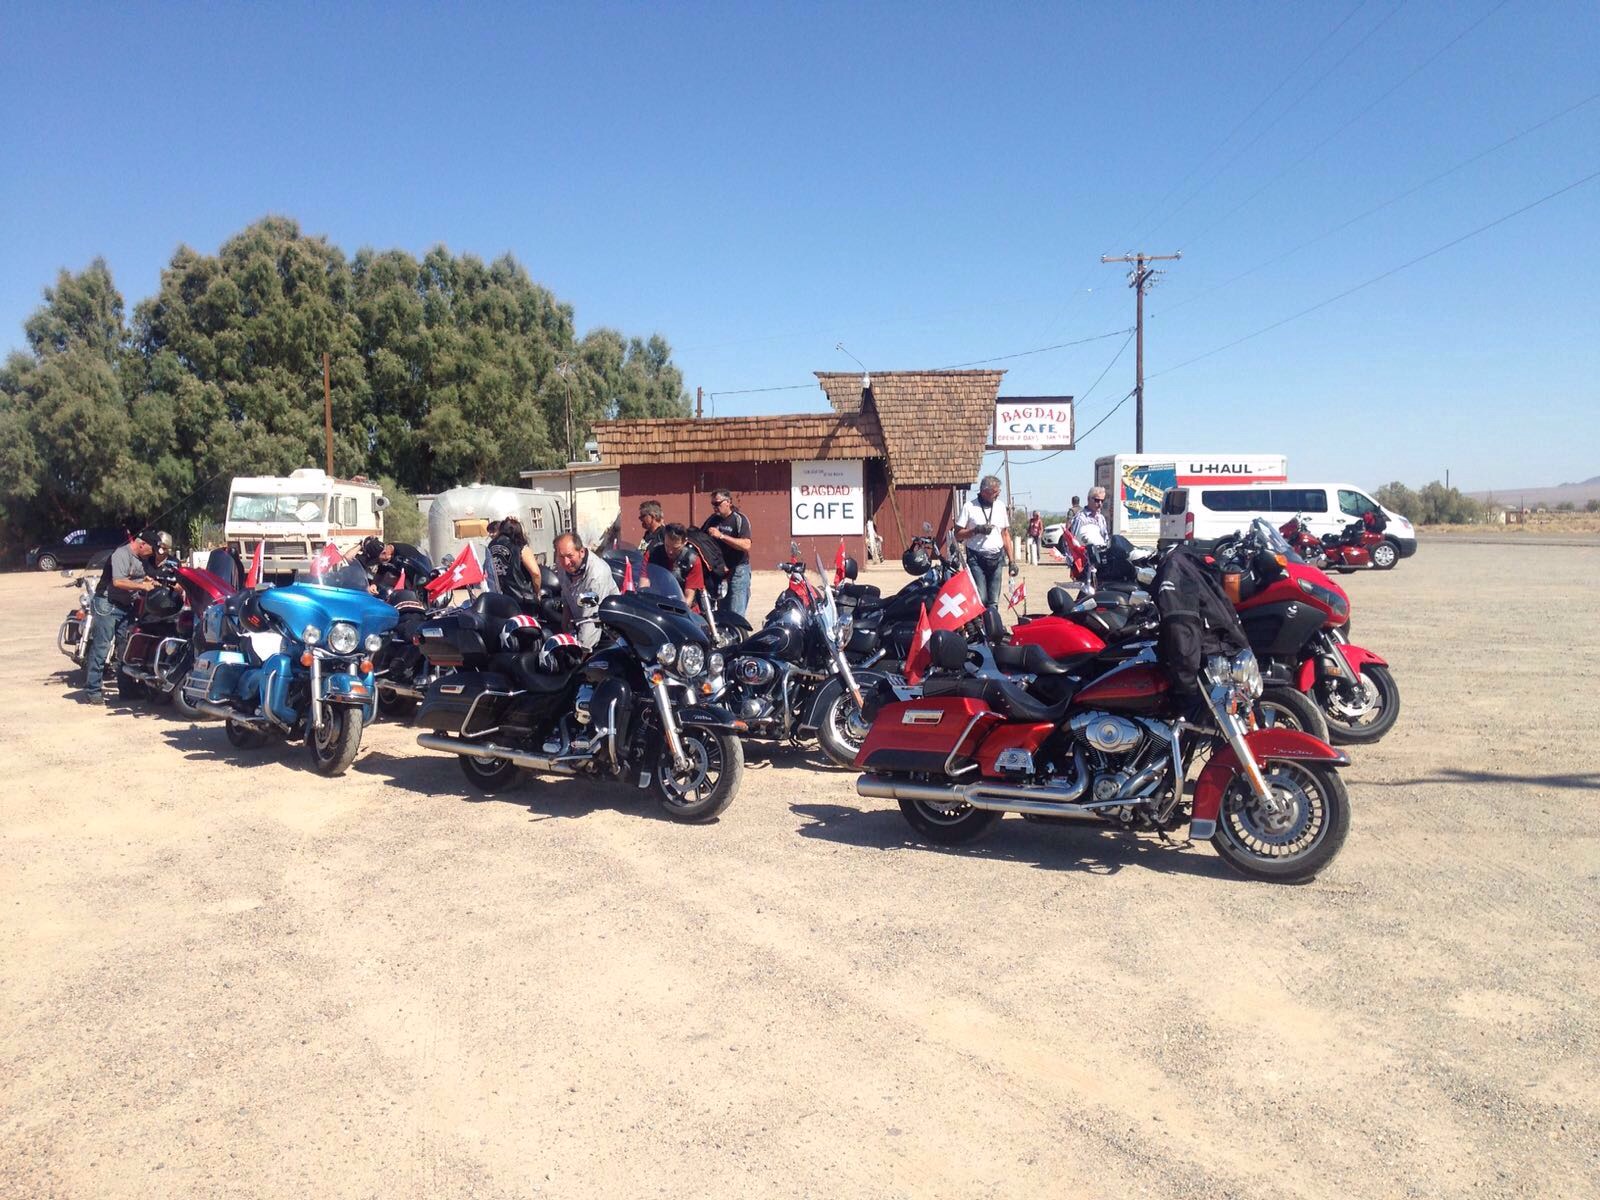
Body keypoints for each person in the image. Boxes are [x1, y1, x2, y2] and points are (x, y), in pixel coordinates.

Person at [83, 529, 157, 705]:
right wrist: (143, 586)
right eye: (151, 549)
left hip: (126, 606)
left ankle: (127, 690)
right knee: (102, 647)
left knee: (126, 649)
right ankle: (92, 691)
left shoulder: (141, 559)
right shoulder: (121, 554)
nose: (152, 553)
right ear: (142, 544)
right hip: (107, 604)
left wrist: (151, 582)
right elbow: (118, 581)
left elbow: (141, 577)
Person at [955, 475, 1016, 608]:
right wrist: (976, 530)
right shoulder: (969, 507)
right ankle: (981, 620)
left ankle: (992, 620)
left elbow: (1005, 534)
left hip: (997, 558)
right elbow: (957, 534)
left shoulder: (1000, 506)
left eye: (998, 491)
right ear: (984, 492)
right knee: (981, 598)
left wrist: (1012, 561)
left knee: (993, 601)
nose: (997, 495)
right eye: (995, 492)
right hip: (976, 559)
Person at [553, 531, 617, 649]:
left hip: (606, 631)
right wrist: (565, 624)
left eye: (570, 556)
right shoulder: (562, 564)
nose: (566, 562)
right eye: (561, 556)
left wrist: (580, 652)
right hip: (580, 621)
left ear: (581, 552)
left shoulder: (596, 576)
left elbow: (590, 621)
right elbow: (565, 592)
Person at [700, 488, 752, 616]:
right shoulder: (712, 520)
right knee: (723, 612)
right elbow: (701, 538)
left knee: (736, 613)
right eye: (713, 504)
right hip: (721, 572)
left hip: (738, 571)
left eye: (717, 503)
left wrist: (722, 536)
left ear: (728, 502)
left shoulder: (739, 519)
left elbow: (746, 545)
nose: (715, 507)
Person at [486, 517, 540, 608]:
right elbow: (536, 573)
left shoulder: (491, 546)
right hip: (522, 599)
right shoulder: (519, 545)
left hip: (500, 598)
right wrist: (537, 592)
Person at [638, 500, 672, 570]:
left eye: (643, 516)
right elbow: (641, 551)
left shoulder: (664, 534)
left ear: (653, 516)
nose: (640, 519)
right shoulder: (647, 535)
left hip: (660, 573)